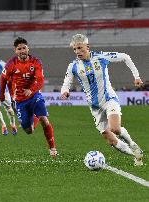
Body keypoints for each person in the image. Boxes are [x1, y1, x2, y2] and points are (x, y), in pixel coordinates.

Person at [61, 34, 143, 166]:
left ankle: (132, 144)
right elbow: (67, 81)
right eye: (75, 49)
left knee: (115, 129)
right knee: (111, 140)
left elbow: (125, 57)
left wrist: (137, 77)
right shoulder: (73, 66)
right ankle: (136, 155)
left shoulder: (101, 57)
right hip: (94, 107)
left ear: (87, 47)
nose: (77, 52)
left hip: (108, 99)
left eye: (80, 48)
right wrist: (64, 91)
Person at [0, 37, 57, 157]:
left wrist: (31, 90)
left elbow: (40, 80)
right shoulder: (11, 64)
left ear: (28, 48)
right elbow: (3, 80)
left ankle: (52, 148)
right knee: (29, 130)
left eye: (24, 48)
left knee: (44, 119)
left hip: (34, 95)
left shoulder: (36, 62)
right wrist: (1, 96)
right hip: (20, 100)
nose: (22, 51)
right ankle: (34, 115)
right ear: (15, 51)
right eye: (19, 49)